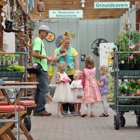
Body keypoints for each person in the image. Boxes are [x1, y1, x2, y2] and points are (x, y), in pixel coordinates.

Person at [52, 30, 79, 114]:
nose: (67, 45)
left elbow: (76, 61)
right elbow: (53, 60)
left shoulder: (73, 50)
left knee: (71, 91)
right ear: (62, 42)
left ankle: (72, 108)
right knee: (63, 91)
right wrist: (61, 55)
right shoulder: (57, 50)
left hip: (70, 73)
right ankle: (64, 109)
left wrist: (76, 72)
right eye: (65, 43)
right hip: (61, 74)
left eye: (68, 43)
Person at [32, 25, 52, 116]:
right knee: (44, 90)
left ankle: (37, 109)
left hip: (42, 67)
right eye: (46, 32)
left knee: (40, 90)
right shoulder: (38, 41)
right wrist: (46, 57)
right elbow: (34, 53)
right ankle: (40, 109)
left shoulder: (40, 41)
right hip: (41, 68)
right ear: (41, 31)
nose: (47, 34)